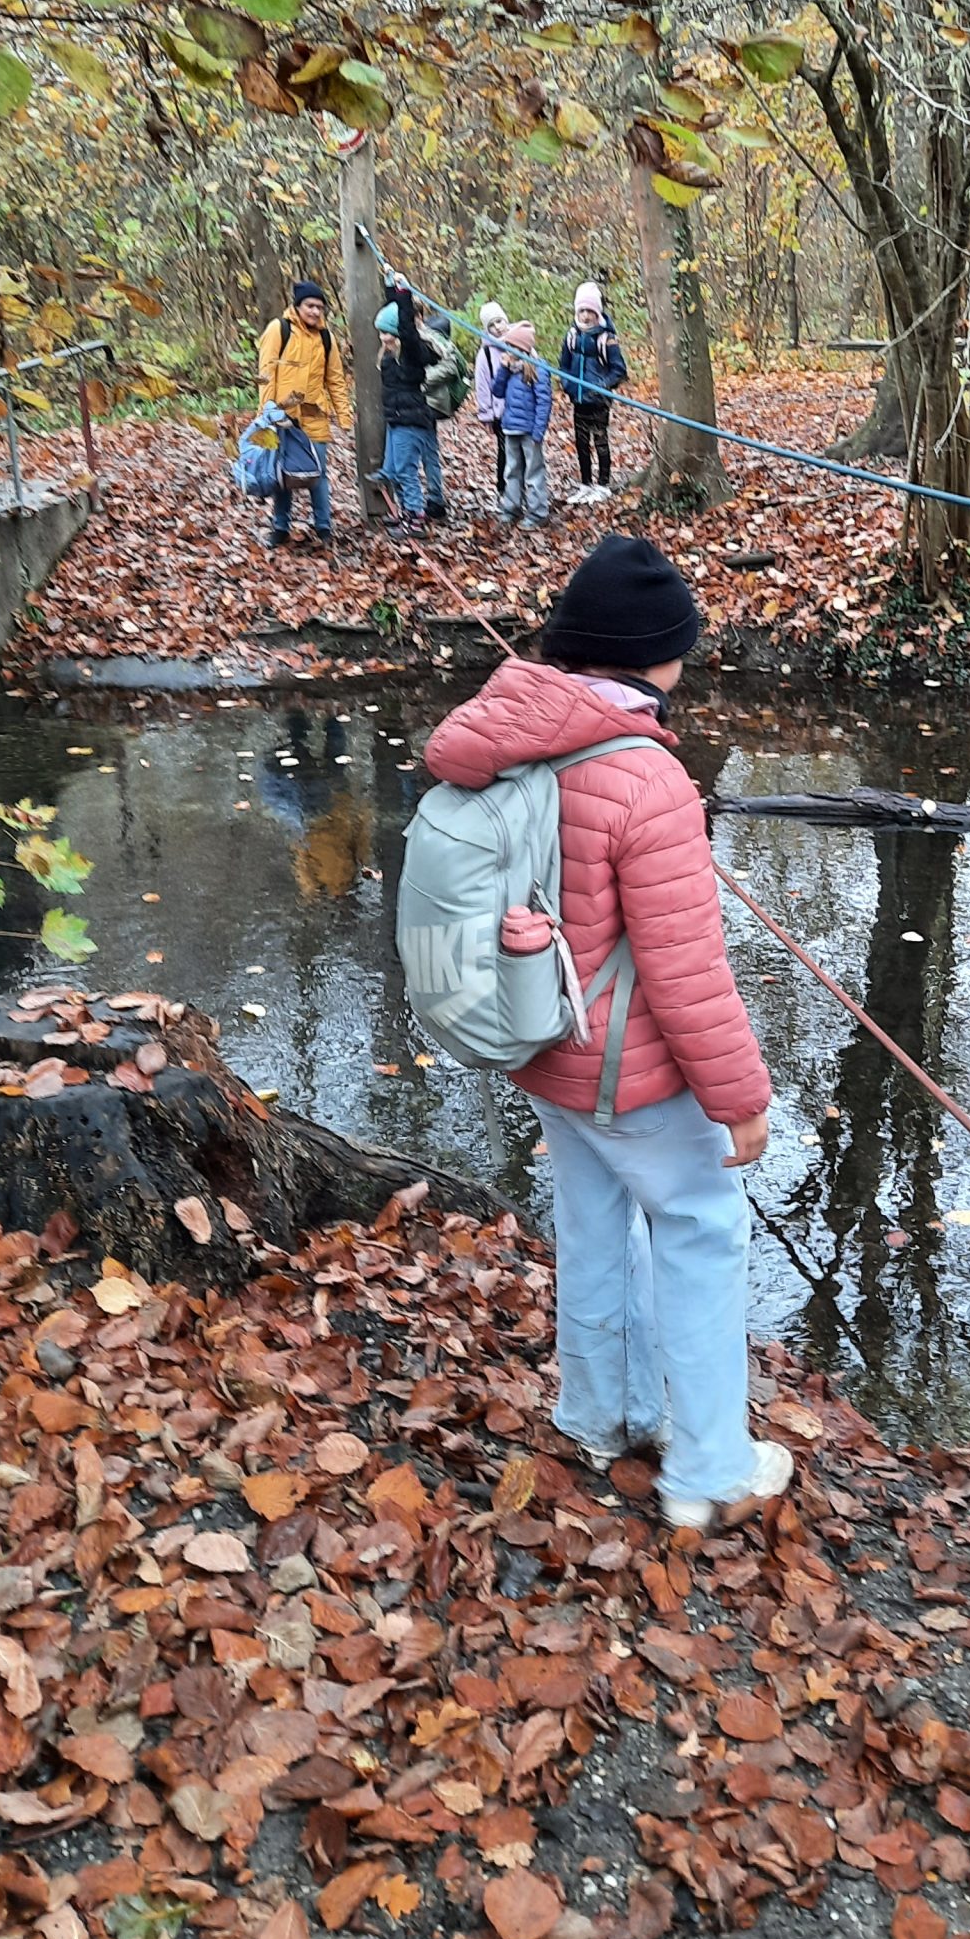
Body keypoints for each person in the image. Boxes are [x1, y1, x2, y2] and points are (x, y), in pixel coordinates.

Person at [421, 534, 786, 1529]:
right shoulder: (648, 778)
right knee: (702, 1232)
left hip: (542, 1048)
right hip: (633, 1070)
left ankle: (597, 1411)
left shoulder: (507, 736)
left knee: (592, 1223)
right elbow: (685, 969)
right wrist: (739, 1098)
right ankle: (710, 1468)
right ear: (659, 656)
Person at [255, 280, 350, 549]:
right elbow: (266, 372)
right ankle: (280, 526)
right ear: (298, 306)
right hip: (282, 416)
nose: (315, 312)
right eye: (310, 306)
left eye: (320, 307)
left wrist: (344, 415)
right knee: (282, 475)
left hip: (315, 416)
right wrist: (267, 412)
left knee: (317, 474)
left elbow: (335, 379)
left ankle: (323, 527)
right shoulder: (279, 330)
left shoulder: (326, 338)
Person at [372, 275, 446, 530]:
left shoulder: (411, 353)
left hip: (410, 419)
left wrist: (404, 294)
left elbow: (405, 326)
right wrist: (392, 287)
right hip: (396, 418)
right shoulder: (390, 353)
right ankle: (406, 512)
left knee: (406, 470)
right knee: (395, 470)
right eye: (381, 332)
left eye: (387, 333)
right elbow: (393, 313)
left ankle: (416, 517)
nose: (383, 337)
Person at [559, 282, 628, 499]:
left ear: (597, 312)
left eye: (590, 311)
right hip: (578, 399)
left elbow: (619, 370)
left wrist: (602, 386)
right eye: (582, 310)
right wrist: (568, 385)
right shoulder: (571, 336)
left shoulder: (606, 339)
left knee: (600, 440)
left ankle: (603, 484)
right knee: (581, 442)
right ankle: (585, 483)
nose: (586, 316)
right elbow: (564, 365)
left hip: (599, 401)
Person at [494, 319, 552, 527]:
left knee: (533, 471)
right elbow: (497, 391)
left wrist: (539, 431)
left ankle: (538, 512)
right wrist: (503, 369)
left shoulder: (537, 369)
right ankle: (511, 507)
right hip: (511, 428)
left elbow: (544, 401)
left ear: (521, 348)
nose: (507, 350)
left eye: (511, 346)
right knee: (512, 469)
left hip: (529, 431)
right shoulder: (509, 370)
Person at [473, 300, 510, 502]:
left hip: (520, 410)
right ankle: (503, 490)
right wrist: (486, 413)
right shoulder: (485, 353)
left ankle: (520, 488)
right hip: (500, 412)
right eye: (492, 325)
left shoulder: (518, 343)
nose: (497, 328)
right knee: (504, 452)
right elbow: (482, 385)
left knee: (522, 452)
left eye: (499, 322)